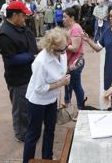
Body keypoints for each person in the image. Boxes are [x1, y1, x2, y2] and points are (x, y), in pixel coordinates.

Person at [23, 28, 71, 162]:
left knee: (50, 129)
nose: (64, 51)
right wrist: (60, 83)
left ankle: (47, 158)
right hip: (37, 101)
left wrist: (60, 94)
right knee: (34, 133)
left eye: (65, 47)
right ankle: (27, 160)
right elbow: (39, 88)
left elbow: (61, 73)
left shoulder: (62, 52)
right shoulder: (41, 61)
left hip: (52, 99)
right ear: (51, 48)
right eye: (61, 49)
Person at [0, 1, 38, 142]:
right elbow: (10, 60)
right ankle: (22, 134)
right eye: (23, 16)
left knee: (28, 105)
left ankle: (29, 128)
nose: (25, 19)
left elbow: (31, 42)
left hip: (29, 73)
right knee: (20, 108)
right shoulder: (5, 34)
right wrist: (31, 56)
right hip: (17, 78)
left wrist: (36, 50)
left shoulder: (21, 26)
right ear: (14, 15)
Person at [83, 4, 112, 104]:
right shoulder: (107, 31)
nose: (110, 19)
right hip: (109, 70)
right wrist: (88, 40)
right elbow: (98, 48)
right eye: (109, 16)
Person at [63, 6, 85, 113]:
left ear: (71, 17)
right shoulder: (71, 28)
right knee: (68, 84)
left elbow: (75, 48)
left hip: (75, 63)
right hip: (70, 62)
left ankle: (81, 108)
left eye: (65, 17)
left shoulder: (76, 28)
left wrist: (63, 46)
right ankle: (67, 106)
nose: (63, 19)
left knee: (76, 86)